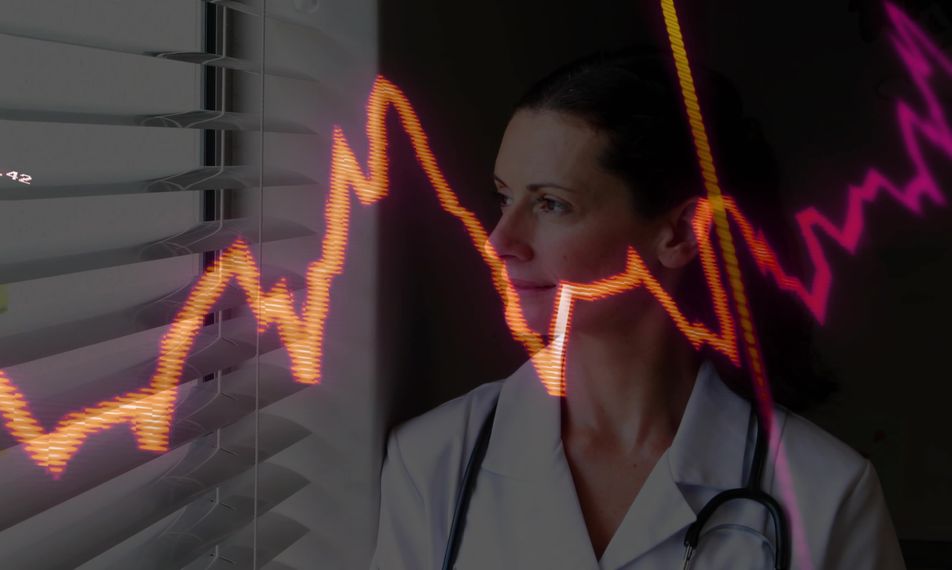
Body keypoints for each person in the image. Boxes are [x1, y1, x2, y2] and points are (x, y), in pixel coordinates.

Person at [370, 49, 905, 569]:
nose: (499, 241)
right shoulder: (433, 462)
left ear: (679, 233)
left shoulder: (826, 494)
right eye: (504, 198)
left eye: (552, 204)